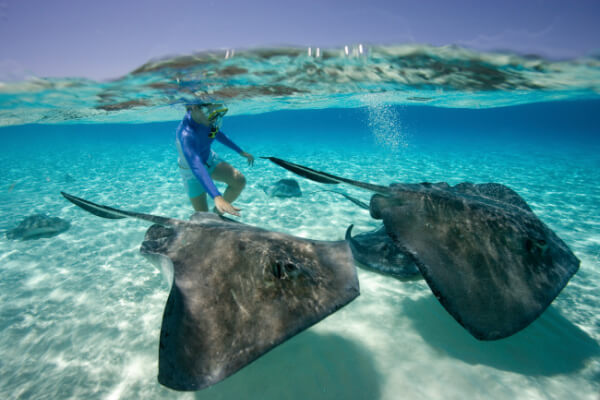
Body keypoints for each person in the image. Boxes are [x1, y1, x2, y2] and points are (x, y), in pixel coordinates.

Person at [176, 102, 254, 216]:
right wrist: (217, 196)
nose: (214, 119)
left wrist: (240, 151)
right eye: (211, 114)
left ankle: (218, 213)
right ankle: (213, 214)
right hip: (191, 171)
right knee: (203, 217)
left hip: (210, 160)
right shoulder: (186, 134)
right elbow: (196, 164)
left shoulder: (208, 119)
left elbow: (215, 133)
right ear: (194, 108)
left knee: (239, 181)